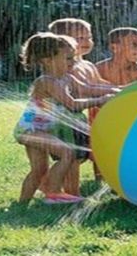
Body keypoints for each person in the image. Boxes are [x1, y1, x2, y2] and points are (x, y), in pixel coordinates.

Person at [14, 33, 113, 204]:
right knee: (66, 152)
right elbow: (73, 104)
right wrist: (102, 100)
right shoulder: (46, 81)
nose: (73, 62)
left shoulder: (67, 78)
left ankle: (21, 205)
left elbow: (89, 88)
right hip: (31, 131)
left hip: (44, 130)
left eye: (73, 58)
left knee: (39, 170)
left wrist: (117, 91)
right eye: (68, 58)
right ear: (47, 60)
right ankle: (53, 194)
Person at [47, 18, 120, 187]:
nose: (87, 42)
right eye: (80, 38)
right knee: (71, 156)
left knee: (79, 155)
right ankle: (69, 191)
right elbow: (86, 89)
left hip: (76, 118)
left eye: (89, 37)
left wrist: (122, 88)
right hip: (62, 120)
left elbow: (100, 84)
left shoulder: (87, 64)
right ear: (61, 41)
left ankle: (61, 187)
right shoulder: (67, 67)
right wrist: (109, 95)